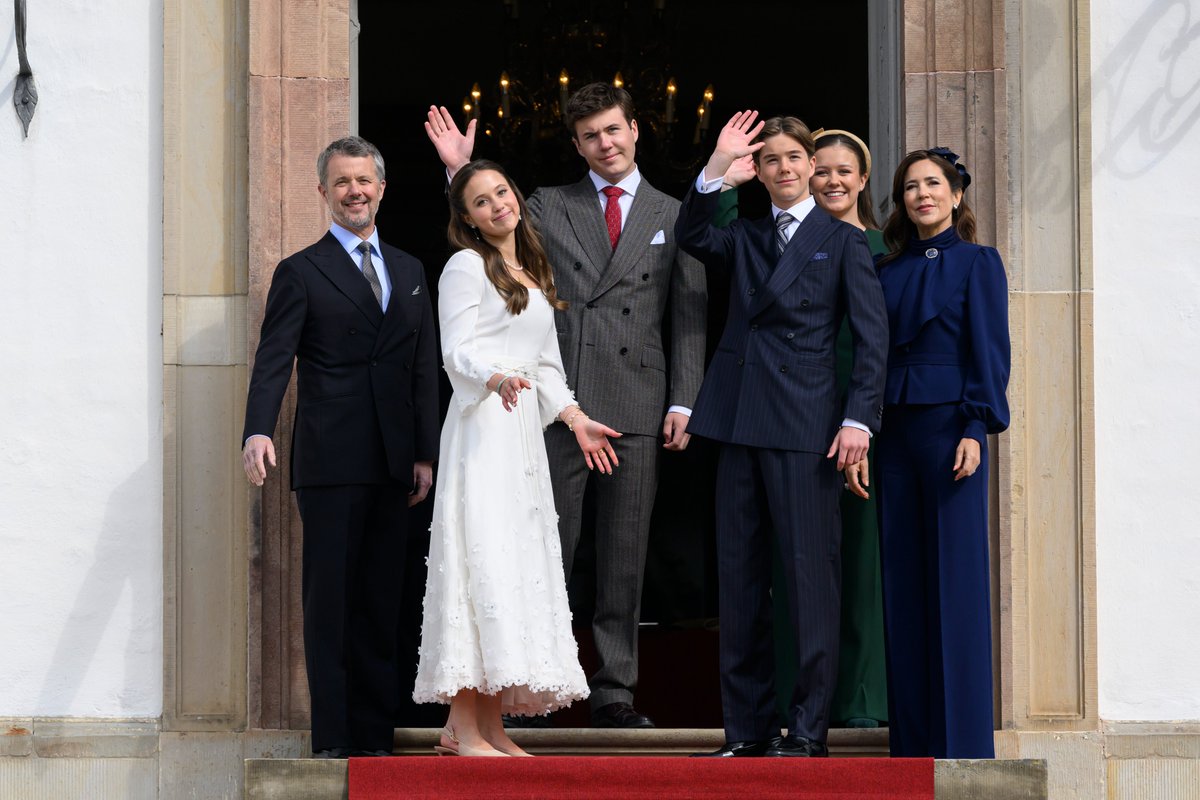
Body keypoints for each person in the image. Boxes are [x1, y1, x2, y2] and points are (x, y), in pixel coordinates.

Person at [425, 82, 707, 728]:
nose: (604, 144)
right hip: (552, 407)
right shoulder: (551, 204)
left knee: (624, 554)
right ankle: (525, 686)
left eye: (614, 131)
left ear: (636, 131)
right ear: (576, 145)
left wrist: (685, 400)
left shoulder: (673, 212)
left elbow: (688, 310)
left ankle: (615, 690)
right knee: (543, 546)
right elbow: (493, 221)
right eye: (590, 136)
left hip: (635, 400)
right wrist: (457, 170)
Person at [675, 112, 888, 757]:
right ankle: (745, 730)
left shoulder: (844, 239)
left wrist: (858, 421)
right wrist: (716, 169)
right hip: (738, 417)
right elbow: (690, 234)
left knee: (808, 575)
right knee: (738, 579)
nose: (788, 168)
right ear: (760, 172)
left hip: (805, 422)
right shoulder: (742, 234)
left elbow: (873, 341)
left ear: (810, 166)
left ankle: (807, 730)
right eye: (772, 160)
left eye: (796, 158)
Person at [412, 159, 622, 756]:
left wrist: (576, 420)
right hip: (483, 429)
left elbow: (547, 366)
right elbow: (456, 350)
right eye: (481, 201)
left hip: (524, 436)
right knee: (482, 561)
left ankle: (488, 728)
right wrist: (497, 377)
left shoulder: (532, 268)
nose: (497, 205)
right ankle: (461, 723)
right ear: (468, 220)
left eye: (501, 192)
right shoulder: (464, 266)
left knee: (511, 565)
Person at [241, 136, 440, 758]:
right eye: (342, 182)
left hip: (393, 462)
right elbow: (273, 359)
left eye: (365, 180)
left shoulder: (409, 270)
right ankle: (332, 739)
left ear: (382, 188)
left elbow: (422, 367)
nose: (355, 191)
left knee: (383, 602)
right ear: (322, 192)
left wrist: (425, 454)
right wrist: (257, 430)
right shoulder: (300, 270)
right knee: (330, 604)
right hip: (329, 462)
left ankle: (376, 737)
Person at [864, 147, 1010, 758]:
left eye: (933, 184)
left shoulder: (979, 263)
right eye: (910, 187)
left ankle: (964, 749)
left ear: (955, 195)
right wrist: (863, 433)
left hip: (951, 432)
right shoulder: (885, 270)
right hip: (891, 433)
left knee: (956, 584)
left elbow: (990, 352)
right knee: (902, 584)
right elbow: (871, 359)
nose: (921, 194)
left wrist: (975, 429)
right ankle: (912, 748)